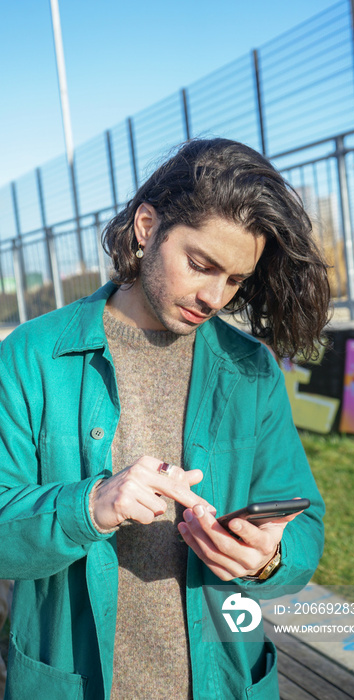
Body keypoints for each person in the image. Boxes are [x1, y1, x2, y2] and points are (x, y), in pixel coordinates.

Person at [0, 138, 330, 700]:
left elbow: (305, 524)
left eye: (234, 281)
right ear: (147, 226)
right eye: (201, 265)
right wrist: (91, 506)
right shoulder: (31, 355)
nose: (213, 296)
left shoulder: (251, 369)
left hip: (225, 682)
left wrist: (269, 557)